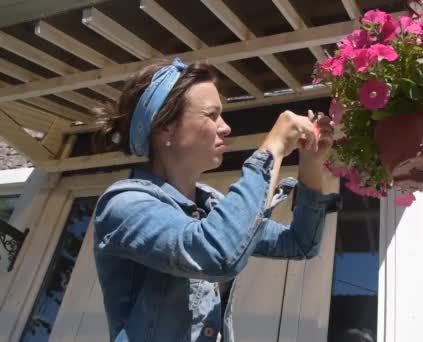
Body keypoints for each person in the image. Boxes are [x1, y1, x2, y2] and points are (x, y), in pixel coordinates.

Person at [93, 58, 340, 342]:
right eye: (212, 115)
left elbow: (300, 243)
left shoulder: (211, 206)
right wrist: (273, 148)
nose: (225, 128)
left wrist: (310, 163)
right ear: (165, 127)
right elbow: (216, 253)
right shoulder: (124, 204)